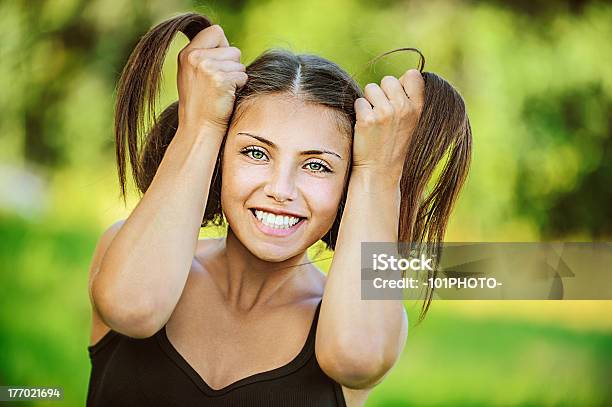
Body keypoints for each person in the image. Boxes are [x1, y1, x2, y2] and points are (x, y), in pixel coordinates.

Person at [86, 12, 471, 407]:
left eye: (317, 165)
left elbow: (357, 359)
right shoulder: (126, 251)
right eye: (255, 153)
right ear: (219, 157)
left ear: (347, 187)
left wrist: (378, 172)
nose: (280, 190)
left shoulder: (359, 318)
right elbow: (132, 310)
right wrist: (199, 126)